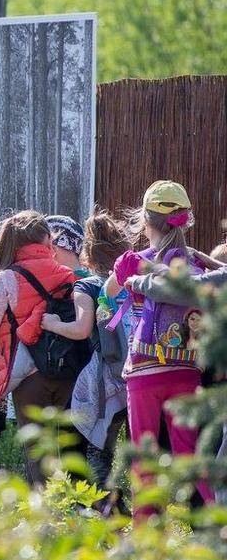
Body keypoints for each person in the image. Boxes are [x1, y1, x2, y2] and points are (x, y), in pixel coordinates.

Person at [105, 181, 215, 515]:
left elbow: (108, 295)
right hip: (186, 370)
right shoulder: (196, 268)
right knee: (191, 454)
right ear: (185, 220)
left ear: (145, 220)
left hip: (145, 372)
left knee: (144, 457)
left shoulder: (132, 262)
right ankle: (218, 523)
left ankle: (146, 536)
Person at [0, 210, 79, 487]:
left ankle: (44, 519)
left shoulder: (8, 277)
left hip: (27, 373)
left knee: (37, 454)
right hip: (68, 370)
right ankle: (75, 513)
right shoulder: (67, 274)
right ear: (46, 239)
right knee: (68, 449)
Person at [40, 212, 131, 507]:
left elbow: (81, 329)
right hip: (138, 372)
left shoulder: (88, 285)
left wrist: (51, 323)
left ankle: (104, 509)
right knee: (133, 451)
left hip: (104, 378)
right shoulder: (131, 282)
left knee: (94, 450)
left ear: (88, 256)